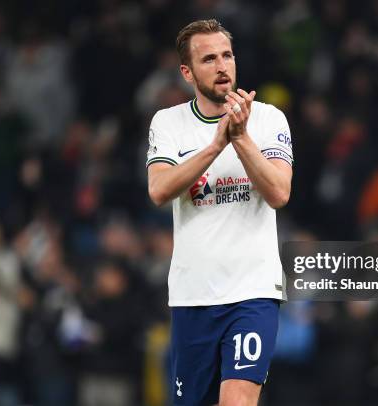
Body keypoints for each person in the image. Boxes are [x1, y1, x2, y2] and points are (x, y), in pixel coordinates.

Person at [146, 19, 293, 406]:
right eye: (208, 58)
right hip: (192, 294)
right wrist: (214, 146)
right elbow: (159, 189)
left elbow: (279, 192)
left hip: (253, 292)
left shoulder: (267, 119)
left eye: (226, 55)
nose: (221, 65)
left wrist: (240, 138)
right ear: (187, 72)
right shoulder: (169, 123)